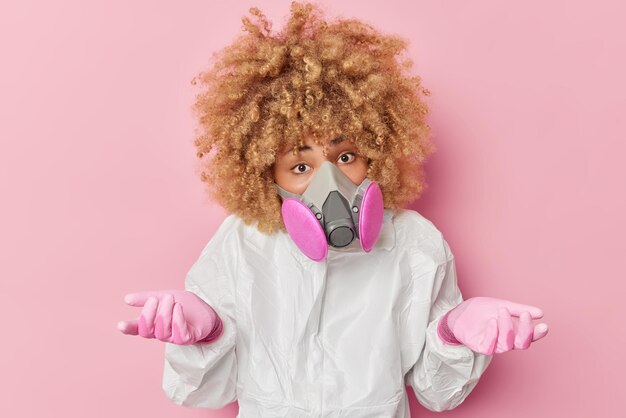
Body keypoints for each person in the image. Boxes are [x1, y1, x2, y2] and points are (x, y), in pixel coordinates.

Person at [117, 2, 549, 416]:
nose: (330, 184)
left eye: (345, 157)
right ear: (267, 175)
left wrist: (454, 333)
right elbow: (206, 392)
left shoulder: (415, 242)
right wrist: (204, 332)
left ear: (375, 153)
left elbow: (438, 394)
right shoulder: (243, 240)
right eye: (300, 166)